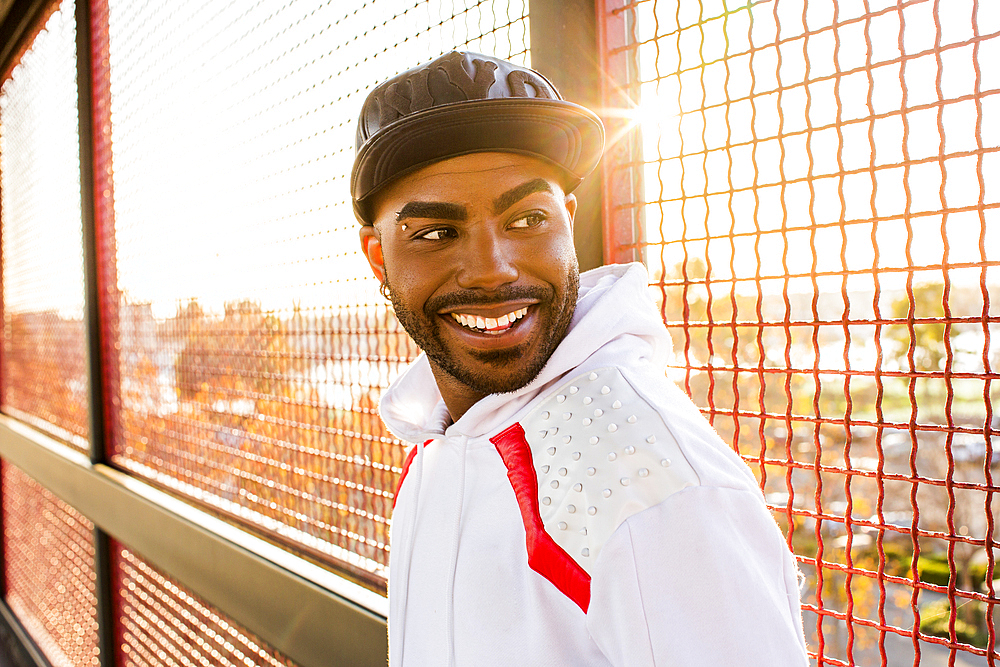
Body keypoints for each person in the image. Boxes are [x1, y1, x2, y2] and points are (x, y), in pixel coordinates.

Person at [352, 51, 808, 667]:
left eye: (527, 219)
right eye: (436, 233)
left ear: (566, 223)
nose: (494, 268)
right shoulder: (437, 443)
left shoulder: (643, 474)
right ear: (379, 259)